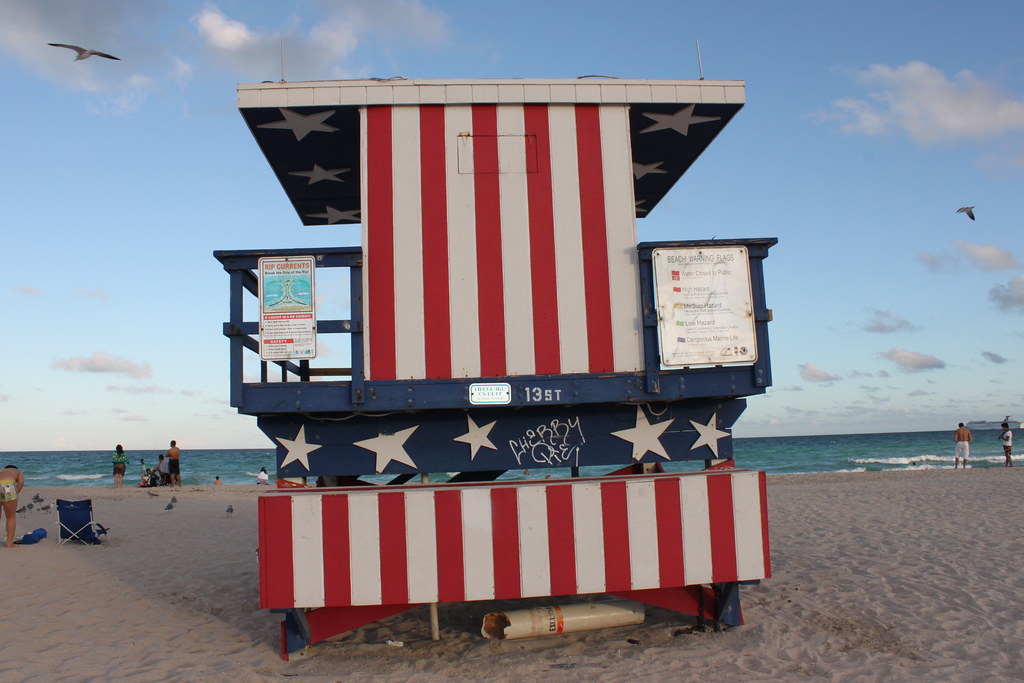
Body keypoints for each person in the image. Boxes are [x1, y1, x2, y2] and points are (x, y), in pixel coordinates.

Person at [1, 465, 25, 548]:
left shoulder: (2, 471)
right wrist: (16, 493)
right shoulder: (18, 472)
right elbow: (21, 482)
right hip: (8, 486)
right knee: (10, 517)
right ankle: (9, 544)